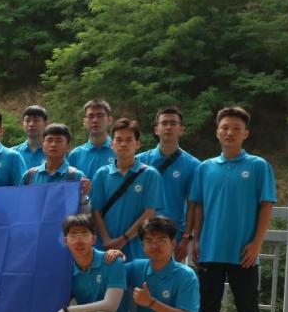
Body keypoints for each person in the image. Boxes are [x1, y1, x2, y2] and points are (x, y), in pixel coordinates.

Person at [188, 106, 276, 312]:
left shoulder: (258, 166)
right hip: (211, 248)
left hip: (243, 251)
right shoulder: (205, 168)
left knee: (247, 306)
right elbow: (199, 206)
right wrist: (197, 239)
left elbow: (266, 205)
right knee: (207, 305)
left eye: (236, 128)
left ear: (245, 133)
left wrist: (257, 243)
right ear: (217, 131)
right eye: (225, 127)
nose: (230, 133)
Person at [90, 118, 164, 261]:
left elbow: (149, 213)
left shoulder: (150, 174)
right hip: (105, 248)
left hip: (138, 249)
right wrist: (107, 241)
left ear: (137, 144)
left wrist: (123, 239)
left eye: (129, 140)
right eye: (119, 140)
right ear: (112, 144)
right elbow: (96, 212)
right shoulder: (102, 174)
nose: (123, 144)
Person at [136, 106, 201, 262]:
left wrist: (186, 238)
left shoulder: (193, 165)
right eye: (164, 123)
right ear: (156, 129)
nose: (168, 127)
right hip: (142, 234)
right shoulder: (139, 161)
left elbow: (193, 204)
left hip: (174, 237)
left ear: (181, 129)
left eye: (173, 123)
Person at [21, 124, 91, 213]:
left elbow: (85, 213)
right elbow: (21, 206)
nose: (53, 144)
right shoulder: (30, 175)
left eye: (59, 141)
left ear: (68, 147)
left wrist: (84, 196)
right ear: (42, 145)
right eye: (49, 140)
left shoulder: (76, 176)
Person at [67, 99, 115, 179]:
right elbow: (69, 184)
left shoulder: (119, 152)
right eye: (91, 116)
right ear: (84, 121)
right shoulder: (75, 155)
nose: (95, 120)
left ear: (109, 120)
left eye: (100, 116)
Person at [12, 105, 48, 170]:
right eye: (27, 120)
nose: (31, 124)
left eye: (36, 121)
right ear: (22, 124)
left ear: (45, 123)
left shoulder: (56, 152)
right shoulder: (12, 154)